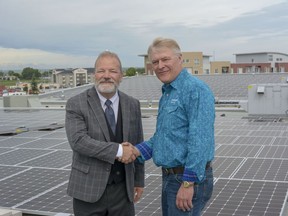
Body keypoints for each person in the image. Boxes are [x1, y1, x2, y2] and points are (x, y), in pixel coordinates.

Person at [133, 37, 215, 216]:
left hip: (186, 179)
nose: (160, 65)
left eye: (165, 59)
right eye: (155, 62)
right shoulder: (168, 93)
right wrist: (135, 152)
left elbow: (200, 140)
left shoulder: (195, 90)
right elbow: (163, 137)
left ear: (180, 58)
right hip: (171, 178)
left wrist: (188, 183)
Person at [65, 51, 145, 216]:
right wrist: (119, 151)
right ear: (94, 75)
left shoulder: (132, 104)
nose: (106, 76)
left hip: (123, 192)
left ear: (121, 76)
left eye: (113, 71)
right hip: (88, 191)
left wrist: (138, 181)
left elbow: (138, 144)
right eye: (101, 71)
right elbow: (79, 141)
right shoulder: (76, 103)